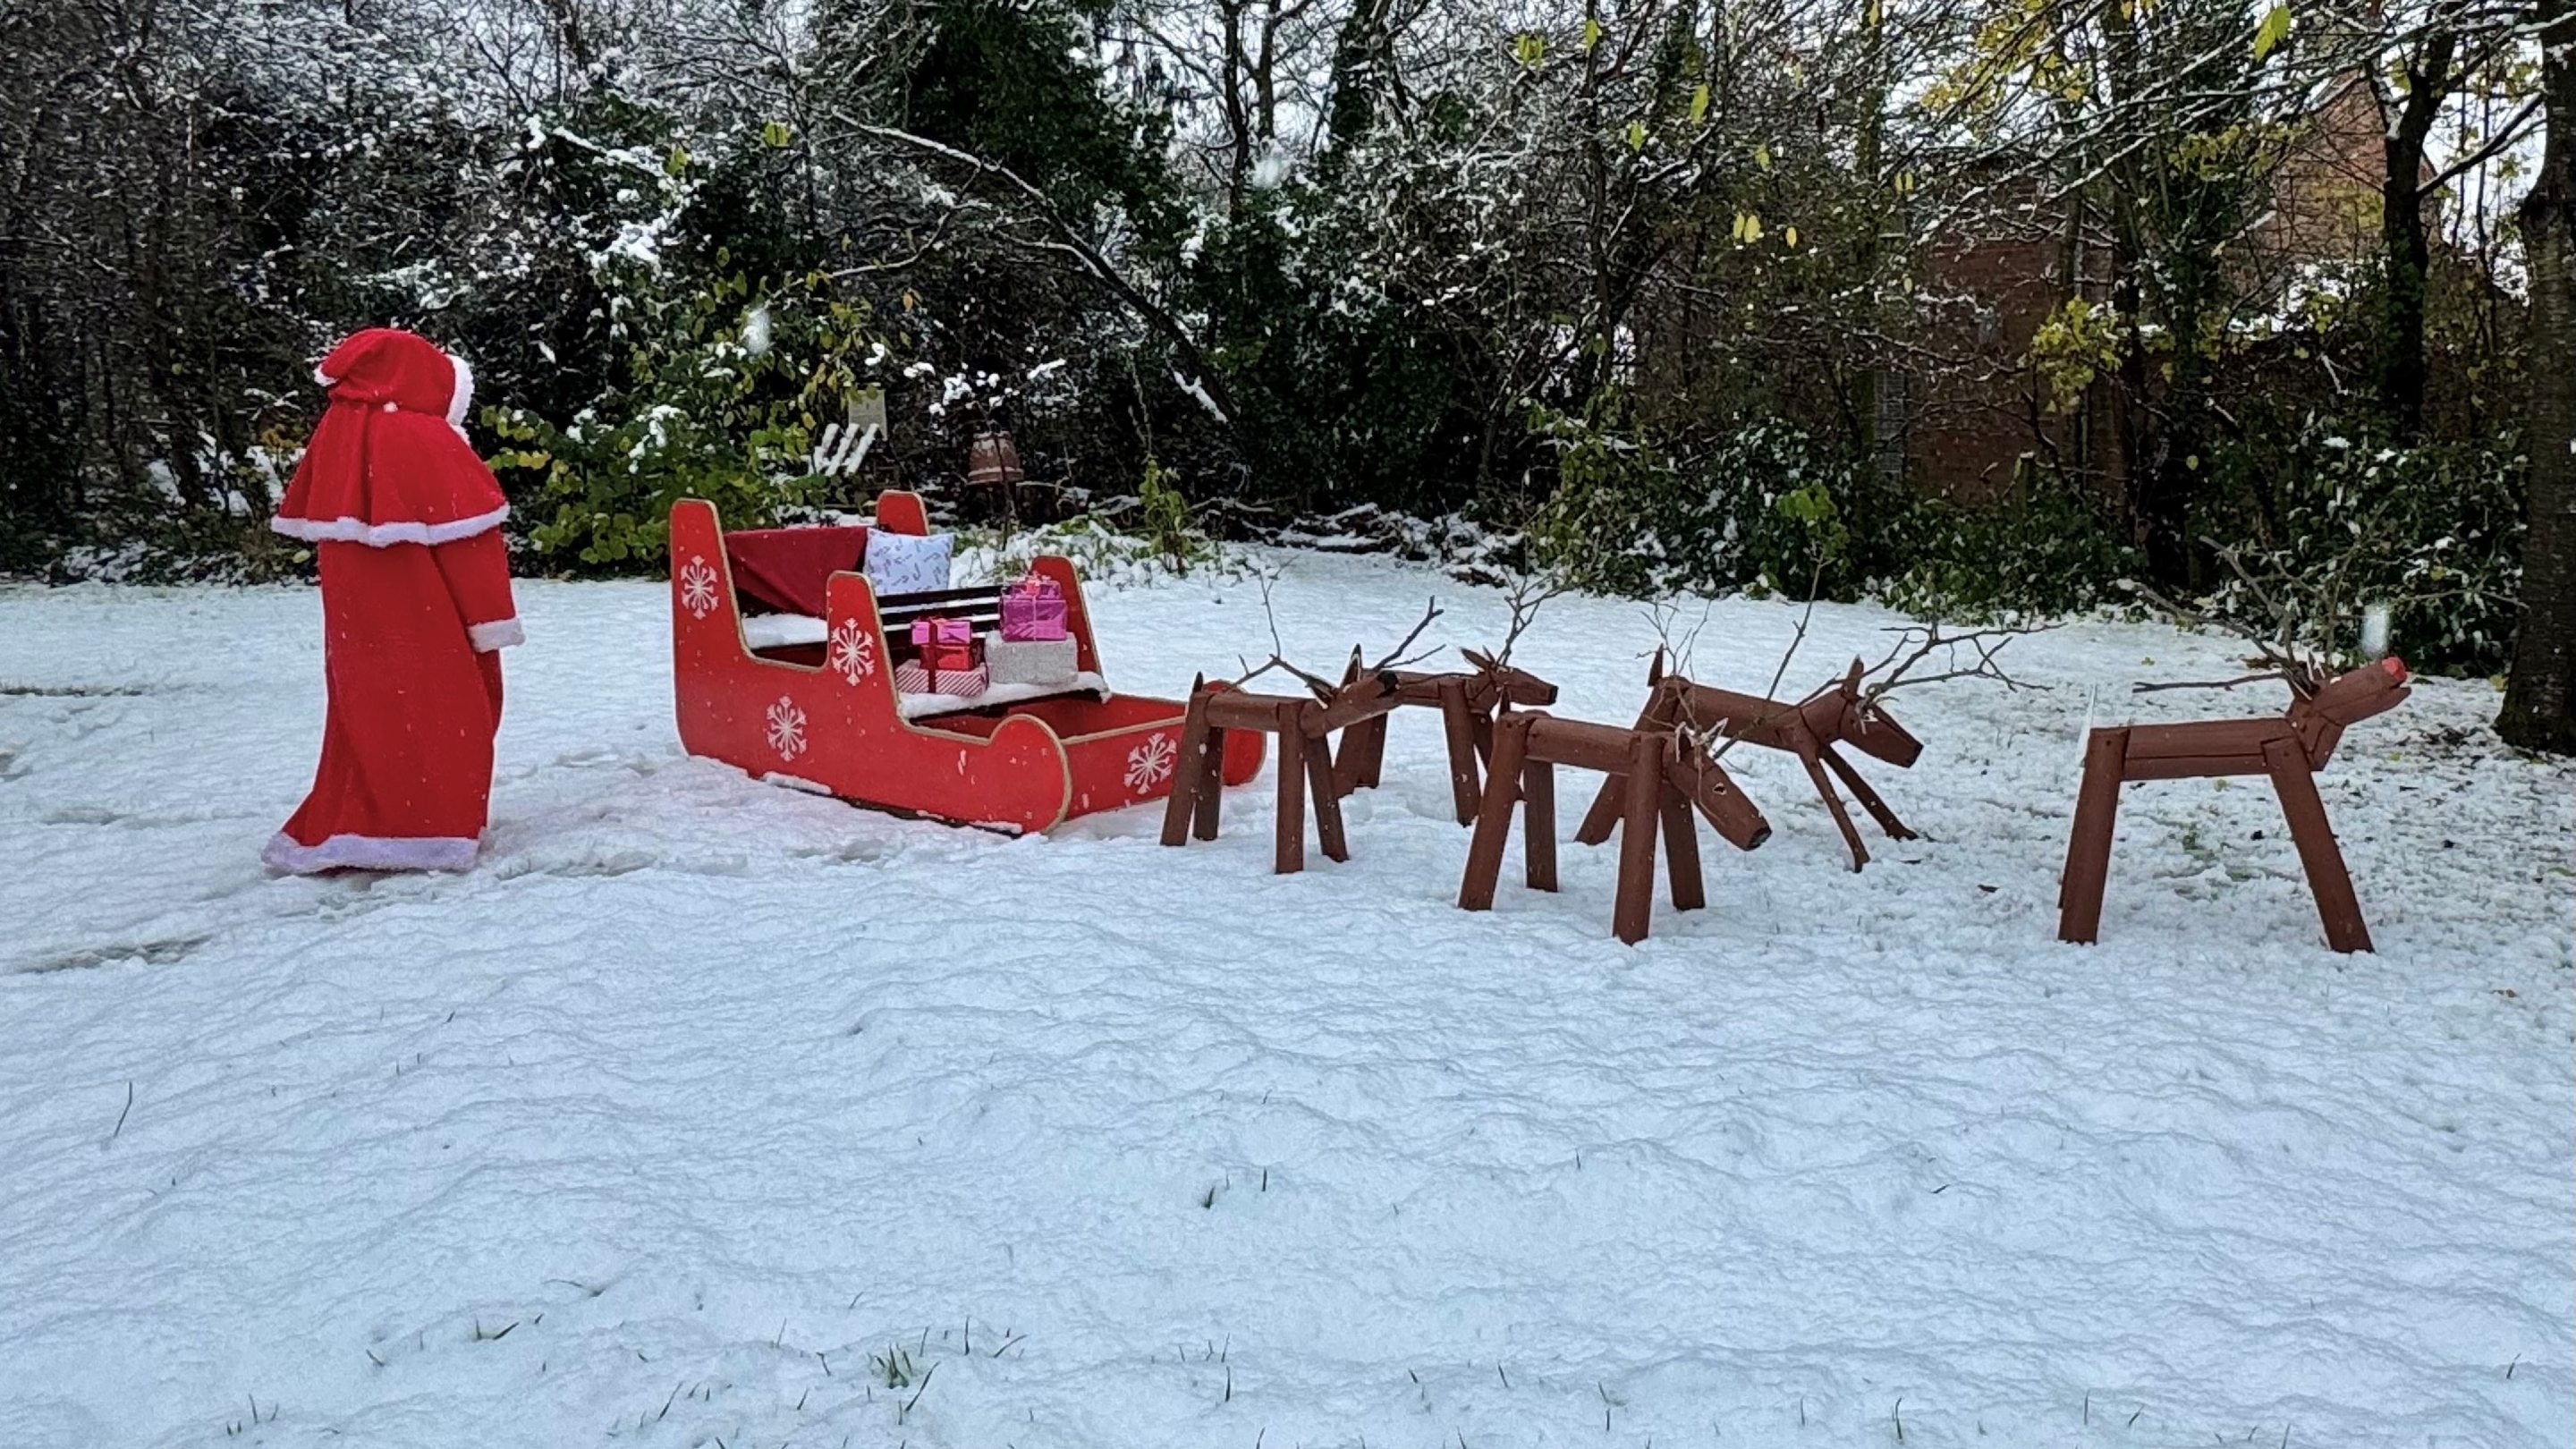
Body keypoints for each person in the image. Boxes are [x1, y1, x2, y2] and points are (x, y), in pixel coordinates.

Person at [263, 327, 521, 873]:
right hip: (435, 625)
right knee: (449, 718)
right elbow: (471, 545)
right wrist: (490, 621)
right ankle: (433, 827)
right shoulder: (427, 441)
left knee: (368, 721)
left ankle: (364, 823)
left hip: (360, 629)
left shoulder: (340, 438)